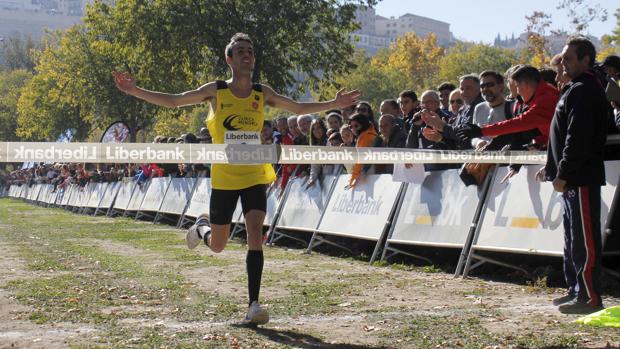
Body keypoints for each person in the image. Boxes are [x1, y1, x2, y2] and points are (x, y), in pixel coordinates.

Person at [113, 32, 360, 325]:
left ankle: (253, 304)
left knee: (255, 230)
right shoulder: (216, 91)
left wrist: (332, 103)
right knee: (218, 245)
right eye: (240, 51)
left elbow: (297, 108)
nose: (246, 56)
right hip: (225, 176)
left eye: (250, 52)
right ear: (229, 59)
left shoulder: (261, 92)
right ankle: (202, 228)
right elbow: (173, 101)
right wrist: (135, 90)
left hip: (255, 171)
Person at [537, 36, 608, 314]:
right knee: (572, 238)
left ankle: (590, 296)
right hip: (570, 178)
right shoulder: (572, 89)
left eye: (568, 58)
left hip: (580, 177)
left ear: (585, 60)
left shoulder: (585, 89)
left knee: (585, 239)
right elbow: (561, 135)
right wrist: (551, 167)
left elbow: (577, 138)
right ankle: (576, 290)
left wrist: (564, 172)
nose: (563, 63)